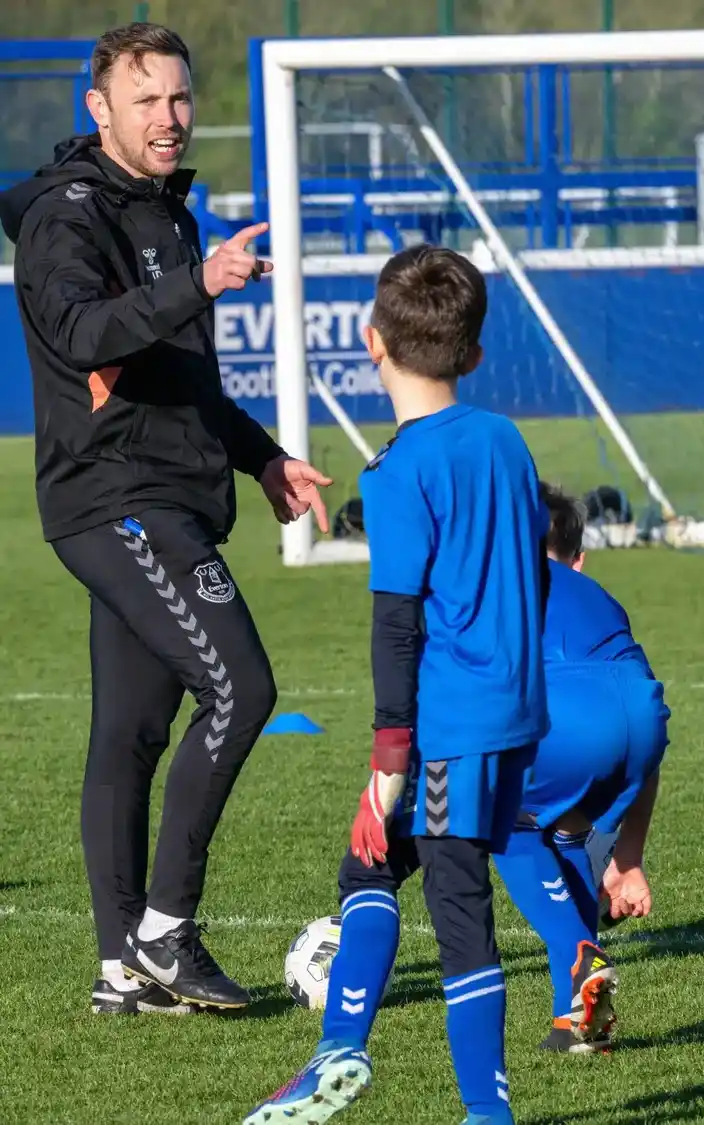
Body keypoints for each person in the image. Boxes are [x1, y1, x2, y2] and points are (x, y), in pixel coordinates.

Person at [0, 22, 330, 1014]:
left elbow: (174, 375)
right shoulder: (68, 217)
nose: (170, 119)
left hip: (170, 493)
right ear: (98, 110)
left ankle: (120, 969)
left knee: (133, 732)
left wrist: (263, 457)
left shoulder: (170, 213)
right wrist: (199, 282)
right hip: (117, 499)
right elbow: (79, 332)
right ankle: (165, 935)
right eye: (148, 101)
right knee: (240, 688)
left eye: (181, 99)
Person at [245, 245, 550, 1125]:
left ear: (371, 342)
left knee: (457, 909)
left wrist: (387, 764)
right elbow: (523, 573)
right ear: (476, 354)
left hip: (451, 722)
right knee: (370, 865)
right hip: (515, 710)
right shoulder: (506, 439)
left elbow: (397, 625)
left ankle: (485, 1113)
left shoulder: (396, 474)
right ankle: (336, 1053)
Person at [492, 482, 670, 1054]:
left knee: (505, 822)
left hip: (566, 712)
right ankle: (574, 1023)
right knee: (567, 831)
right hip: (641, 717)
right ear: (579, 557)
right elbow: (646, 720)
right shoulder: (599, 594)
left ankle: (578, 953)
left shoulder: (504, 583)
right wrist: (628, 861)